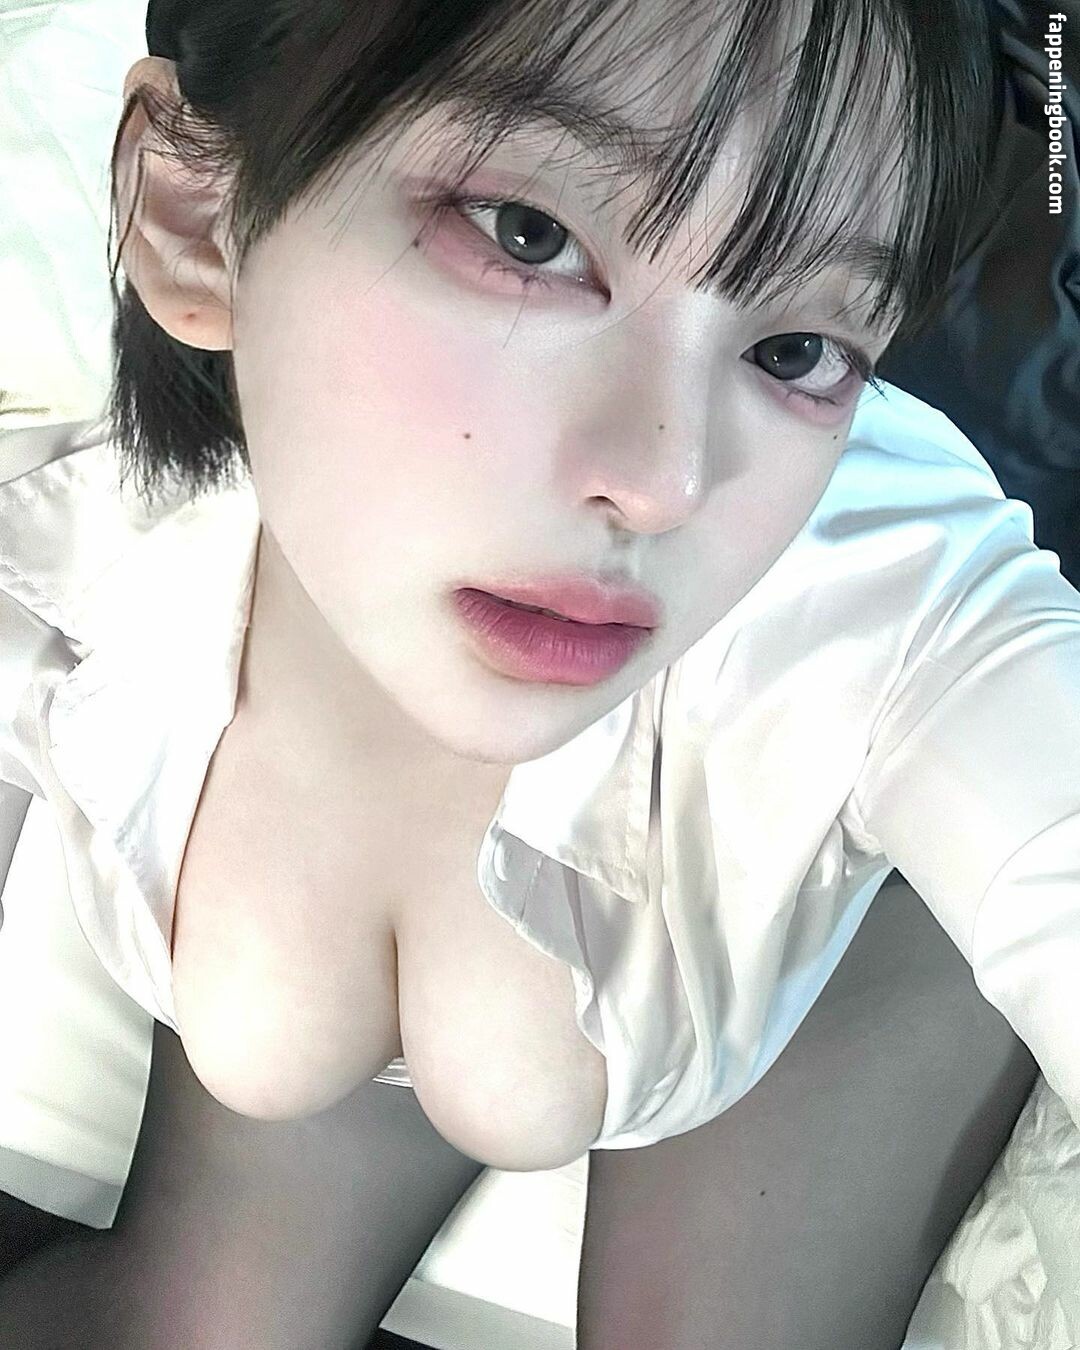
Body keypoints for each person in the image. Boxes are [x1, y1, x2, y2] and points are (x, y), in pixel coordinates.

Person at [0, 0, 1074, 1345]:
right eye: (527, 237)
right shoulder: (65, 560)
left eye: (800, 350)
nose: (665, 480)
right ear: (195, 214)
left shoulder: (893, 609)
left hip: (841, 923)